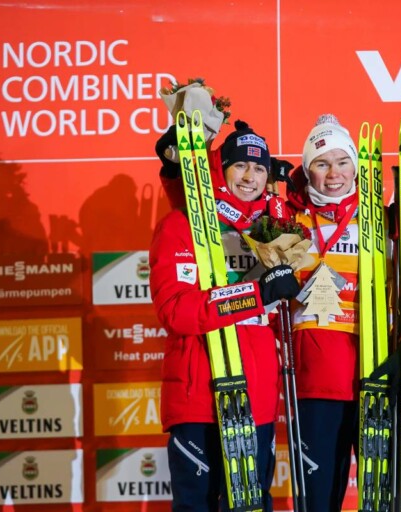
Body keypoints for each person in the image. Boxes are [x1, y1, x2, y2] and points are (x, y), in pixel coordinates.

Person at [149, 120, 300, 512]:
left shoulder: (273, 232)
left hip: (258, 394)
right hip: (198, 395)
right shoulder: (181, 226)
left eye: (260, 168)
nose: (250, 177)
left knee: (251, 505)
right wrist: (256, 292)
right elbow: (176, 311)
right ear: (221, 169)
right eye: (240, 166)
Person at [283, 114, 361, 512]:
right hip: (315, 379)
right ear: (306, 170)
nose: (334, 174)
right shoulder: (287, 221)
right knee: (318, 501)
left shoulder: (383, 221)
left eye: (342, 161)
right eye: (321, 163)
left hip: (372, 375)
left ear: (356, 165)